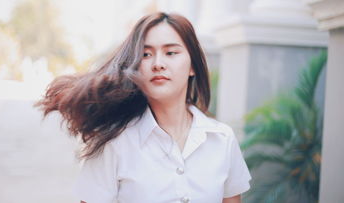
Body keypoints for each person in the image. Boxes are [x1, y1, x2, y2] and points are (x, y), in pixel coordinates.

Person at [35, 12, 251, 203]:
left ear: (193, 66)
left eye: (171, 53)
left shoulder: (222, 140)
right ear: (135, 66)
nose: (158, 63)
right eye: (146, 54)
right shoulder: (113, 142)